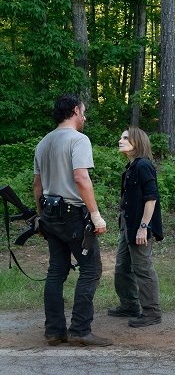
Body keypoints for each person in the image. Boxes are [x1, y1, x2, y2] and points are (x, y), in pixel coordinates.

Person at [33, 93, 111, 347]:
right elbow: (81, 179)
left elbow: (38, 184)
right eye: (84, 111)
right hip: (73, 215)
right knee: (90, 270)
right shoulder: (79, 140)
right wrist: (96, 216)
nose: (85, 116)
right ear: (76, 110)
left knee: (56, 271)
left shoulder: (43, 143)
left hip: (50, 213)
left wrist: (41, 216)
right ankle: (80, 330)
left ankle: (54, 331)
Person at [108, 127, 164, 327]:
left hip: (139, 226)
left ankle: (151, 312)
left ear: (137, 142)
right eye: (121, 137)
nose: (120, 140)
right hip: (127, 224)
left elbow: (151, 199)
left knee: (143, 268)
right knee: (122, 267)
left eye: (125, 138)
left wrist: (143, 227)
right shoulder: (132, 167)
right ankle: (130, 305)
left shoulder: (143, 166)